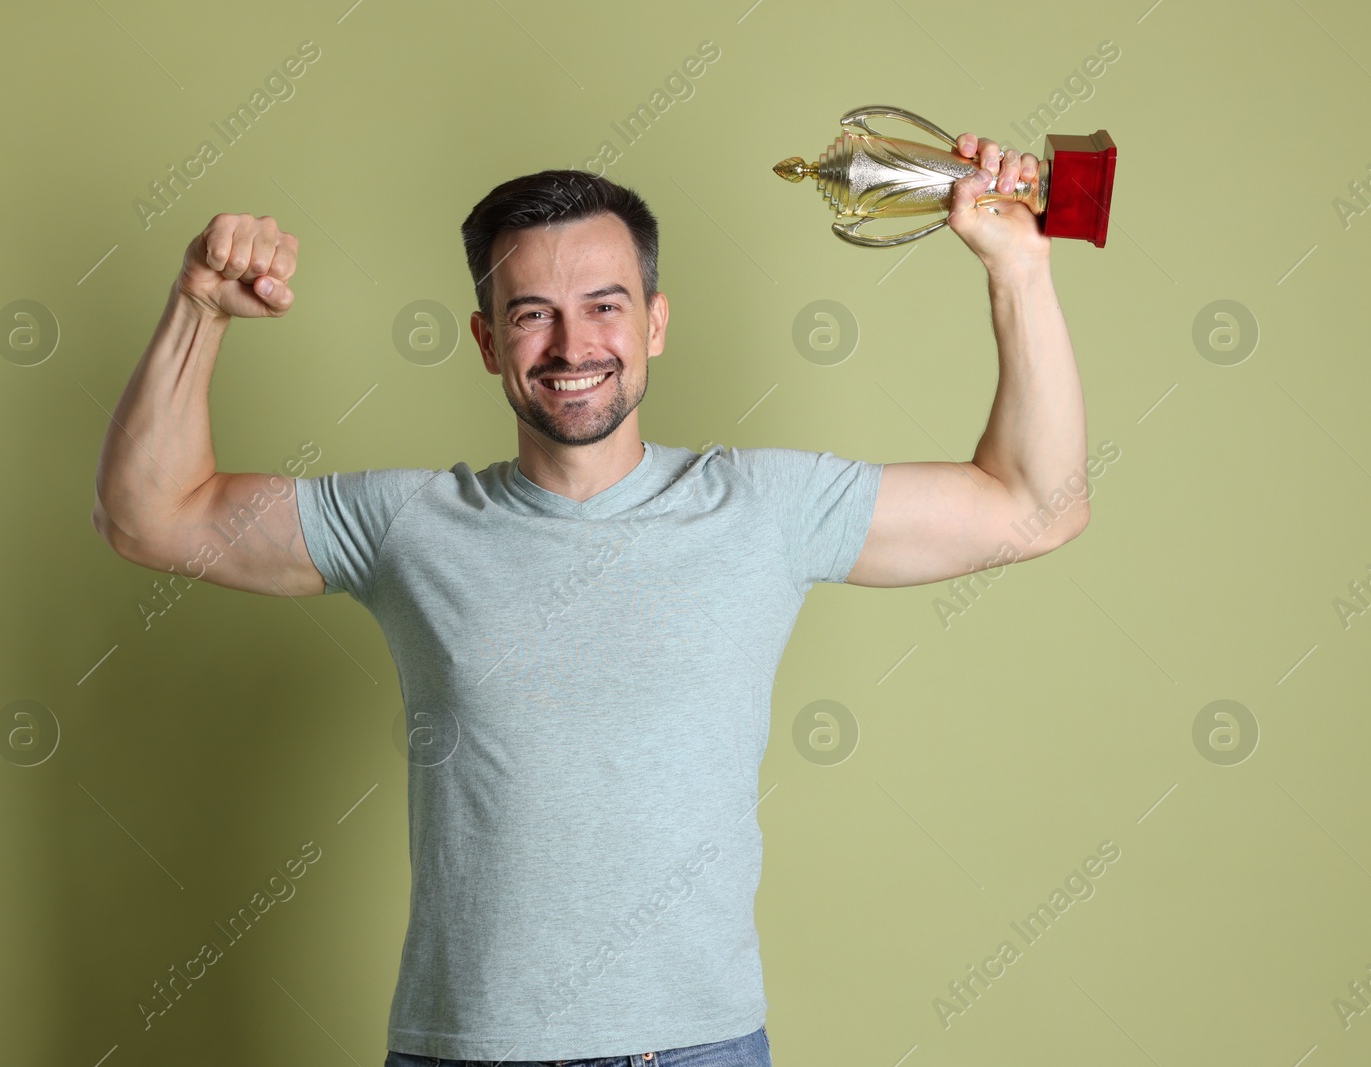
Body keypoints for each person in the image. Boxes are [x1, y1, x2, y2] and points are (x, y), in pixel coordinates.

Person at [91, 133, 1089, 1066]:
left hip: (697, 1045)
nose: (573, 345)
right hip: (466, 1045)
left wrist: (1017, 268)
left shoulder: (765, 507)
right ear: (488, 341)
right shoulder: (408, 524)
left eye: (605, 305)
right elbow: (151, 516)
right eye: (532, 314)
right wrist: (199, 307)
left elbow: (1035, 507)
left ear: (654, 321)